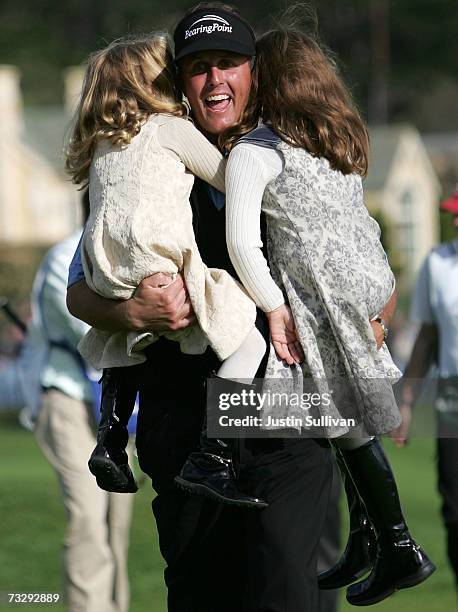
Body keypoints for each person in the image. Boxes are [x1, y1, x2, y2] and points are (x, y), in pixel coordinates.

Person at [66, 4, 332, 611]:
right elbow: (78, 291)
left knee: (285, 593)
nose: (215, 81)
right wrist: (135, 313)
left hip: (283, 413)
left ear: (254, 73)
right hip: (182, 416)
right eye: (198, 68)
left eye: (229, 64)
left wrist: (368, 313)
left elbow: (363, 268)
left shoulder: (295, 154)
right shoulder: (137, 165)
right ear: (178, 85)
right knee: (200, 595)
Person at [218, 27, 435, 606]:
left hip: (317, 305)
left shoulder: (256, 152)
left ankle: (398, 545)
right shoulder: (334, 145)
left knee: (343, 424)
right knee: (342, 422)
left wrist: (273, 306)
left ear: (263, 79)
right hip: (363, 292)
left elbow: (242, 244)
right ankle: (372, 539)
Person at [65, 32, 304, 507]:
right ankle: (211, 453)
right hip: (166, 276)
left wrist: (128, 312)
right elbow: (226, 175)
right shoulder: (171, 130)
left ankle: (111, 437)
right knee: (249, 339)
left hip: (110, 270)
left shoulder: (103, 148)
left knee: (123, 348)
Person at [20, 191, 133, 612]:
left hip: (114, 410)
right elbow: (94, 341)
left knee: (115, 526)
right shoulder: (62, 260)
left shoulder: (122, 257)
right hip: (66, 402)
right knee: (88, 519)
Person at [393, 186, 458, 590]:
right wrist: (407, 400)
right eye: (453, 214)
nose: (456, 221)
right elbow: (427, 337)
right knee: (454, 510)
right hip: (451, 396)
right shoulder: (438, 262)